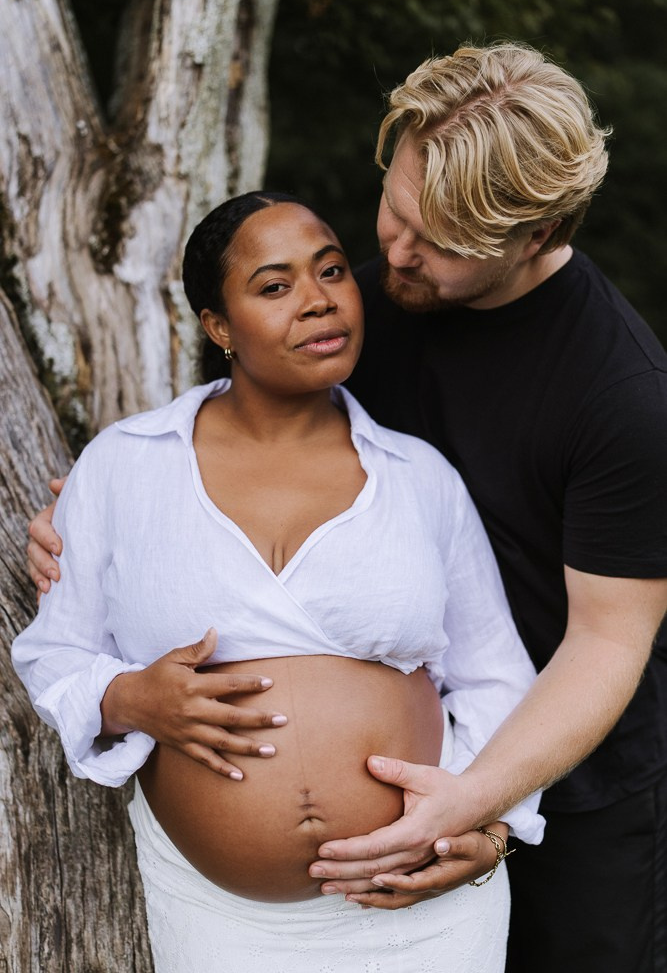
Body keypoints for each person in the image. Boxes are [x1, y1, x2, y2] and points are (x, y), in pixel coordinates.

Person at [26, 43, 667, 971]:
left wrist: (483, 804)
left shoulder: (624, 397)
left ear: (536, 235)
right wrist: (90, 522)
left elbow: (606, 642)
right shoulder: (362, 306)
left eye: (438, 242)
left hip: (574, 779)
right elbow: (218, 447)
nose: (394, 254)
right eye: (395, 210)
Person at [13, 191, 544, 972]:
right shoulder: (126, 465)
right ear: (218, 326)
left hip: (423, 900)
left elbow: (495, 679)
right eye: (274, 285)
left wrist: (489, 829)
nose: (319, 300)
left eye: (331, 271)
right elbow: (54, 654)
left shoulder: (418, 476)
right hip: (221, 921)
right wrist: (127, 699)